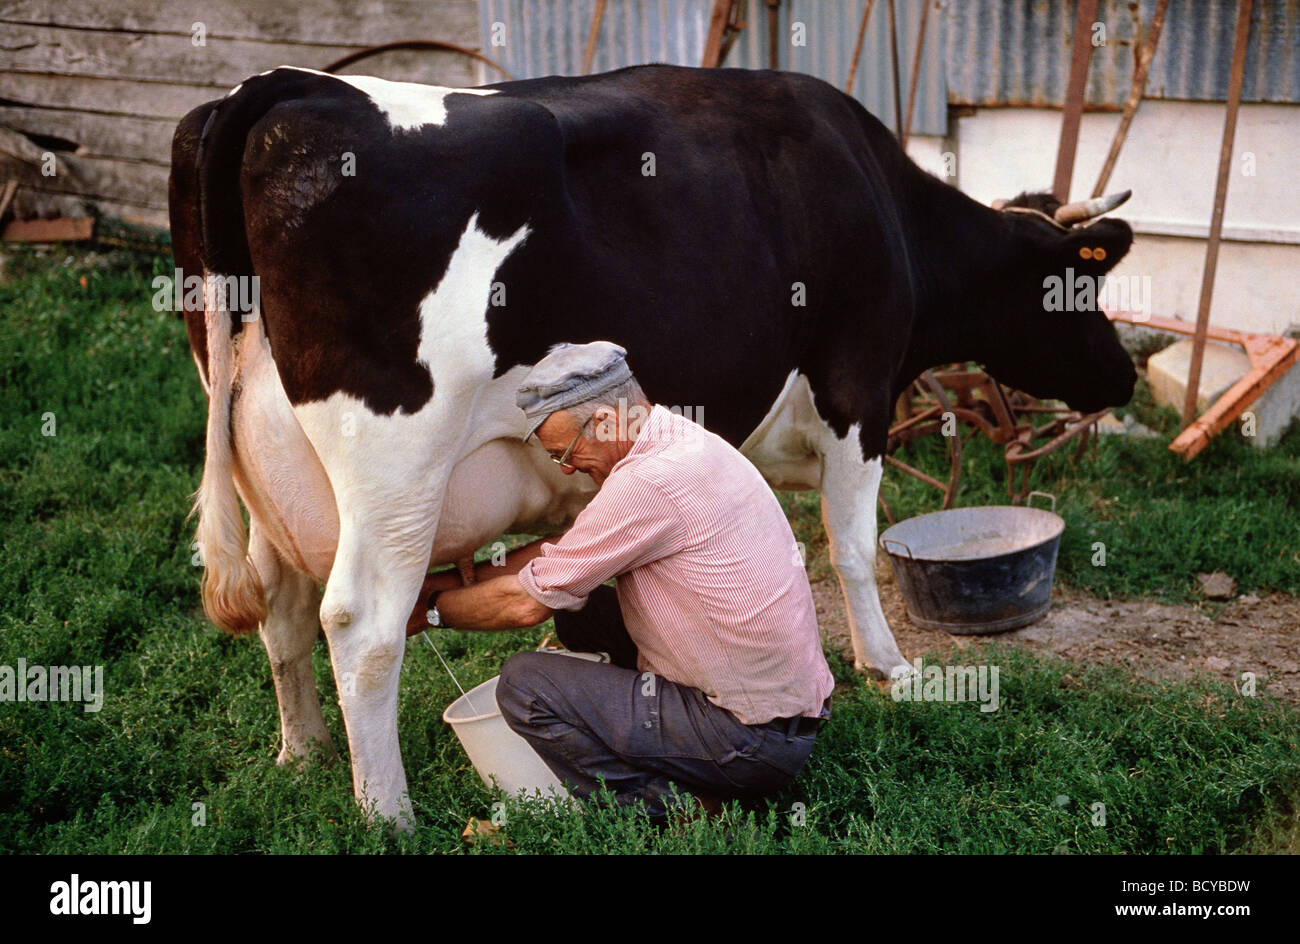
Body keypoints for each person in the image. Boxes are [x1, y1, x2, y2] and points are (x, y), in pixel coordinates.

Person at [409, 341, 834, 824]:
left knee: (526, 685)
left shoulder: (648, 483)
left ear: (609, 422)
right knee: (584, 615)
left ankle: (674, 807)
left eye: (564, 451)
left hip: (752, 742)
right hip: (784, 715)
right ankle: (668, 740)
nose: (566, 467)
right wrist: (453, 580)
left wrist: (430, 611)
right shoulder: (677, 439)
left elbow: (524, 606)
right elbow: (571, 546)